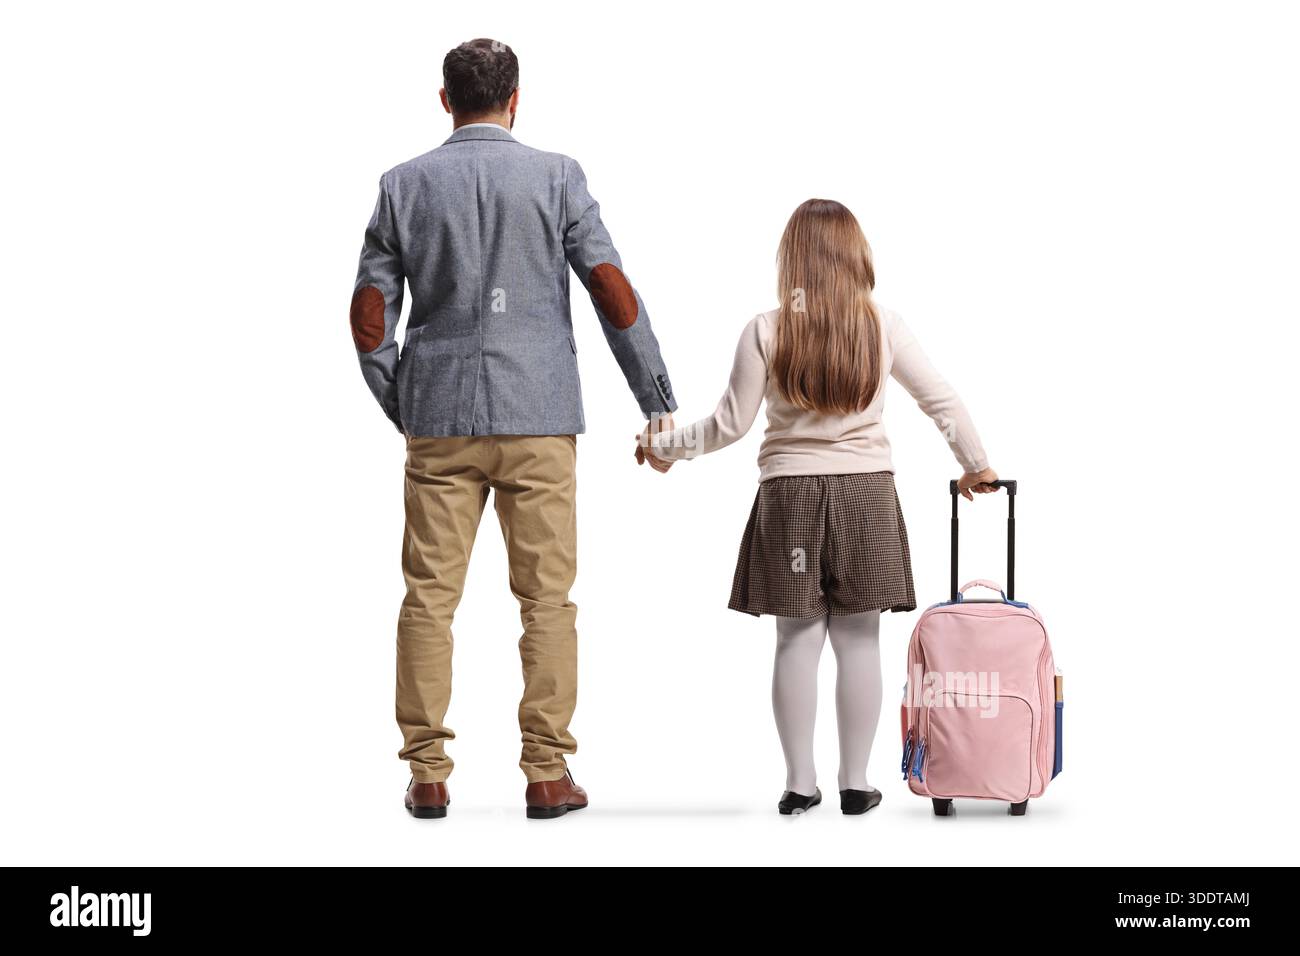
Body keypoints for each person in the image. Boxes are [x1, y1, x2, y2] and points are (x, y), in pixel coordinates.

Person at [349, 39, 677, 820]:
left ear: (444, 100)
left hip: (440, 420)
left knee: (428, 597)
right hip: (540, 417)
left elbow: (369, 315)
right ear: (516, 98)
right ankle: (546, 773)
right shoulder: (558, 177)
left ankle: (427, 774)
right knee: (547, 602)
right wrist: (655, 400)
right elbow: (610, 289)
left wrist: (407, 399)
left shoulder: (403, 186)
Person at [643, 199, 997, 815]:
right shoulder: (883, 326)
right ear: (856, 256)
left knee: (796, 642)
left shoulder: (767, 328)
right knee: (860, 642)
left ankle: (799, 785)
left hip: (791, 496)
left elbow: (729, 424)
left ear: (793, 262)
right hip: (866, 495)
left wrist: (667, 449)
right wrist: (977, 464)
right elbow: (939, 398)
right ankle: (856, 784)